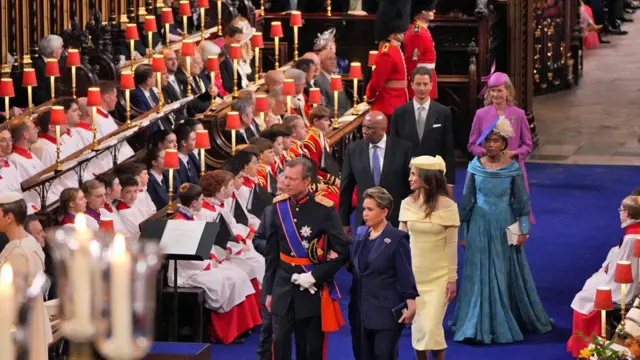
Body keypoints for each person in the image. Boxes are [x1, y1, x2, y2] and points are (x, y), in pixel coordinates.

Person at [451, 118, 552, 344]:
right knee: (478, 272)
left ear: (504, 143)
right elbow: (467, 201)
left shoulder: (512, 168)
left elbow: (521, 202)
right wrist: (463, 232)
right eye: (487, 141)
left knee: (504, 270)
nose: (490, 145)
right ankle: (475, 322)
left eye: (495, 141)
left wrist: (523, 230)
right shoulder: (475, 166)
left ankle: (506, 317)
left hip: (505, 225)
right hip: (478, 224)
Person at [264, 158, 351, 360]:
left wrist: (316, 276)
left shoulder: (323, 208)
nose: (285, 183)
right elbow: (271, 253)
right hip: (282, 286)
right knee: (279, 344)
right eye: (285, 177)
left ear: (306, 181)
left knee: (310, 349)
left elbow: (343, 251)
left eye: (292, 179)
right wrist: (268, 291)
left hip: (311, 289)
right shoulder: (278, 206)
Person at [398, 156, 458, 360]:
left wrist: (452, 279)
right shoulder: (406, 204)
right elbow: (401, 243)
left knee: (430, 327)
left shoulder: (449, 207)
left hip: (438, 279)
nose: (409, 178)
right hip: (413, 278)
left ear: (426, 177)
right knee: (420, 328)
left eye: (414, 174)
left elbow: (451, 245)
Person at [349, 187, 418, 360]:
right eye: (364, 209)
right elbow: (356, 268)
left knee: (384, 355)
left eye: (370, 209)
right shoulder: (361, 234)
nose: (365, 213)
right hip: (360, 311)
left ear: (384, 211)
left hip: (385, 312)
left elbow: (405, 274)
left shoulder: (397, 238)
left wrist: (411, 303)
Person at [567, 195, 640, 356]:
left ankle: (589, 344)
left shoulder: (631, 237)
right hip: (629, 280)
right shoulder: (634, 231)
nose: (619, 213)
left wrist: (608, 268)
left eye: (620, 211)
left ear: (627, 213)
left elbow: (622, 267)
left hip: (624, 287)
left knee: (584, 297)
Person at [467, 70, 534, 221]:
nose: (496, 94)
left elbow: (528, 145)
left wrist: (514, 153)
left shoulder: (519, 114)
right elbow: (472, 145)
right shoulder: (481, 114)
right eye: (492, 90)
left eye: (500, 90)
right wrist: (486, 152)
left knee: (514, 218)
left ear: (508, 91)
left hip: (512, 170)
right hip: (487, 172)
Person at [340, 111, 411, 231]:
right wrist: (344, 222)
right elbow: (346, 188)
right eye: (363, 126)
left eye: (370, 128)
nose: (365, 131)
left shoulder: (403, 149)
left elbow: (410, 187)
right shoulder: (353, 150)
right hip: (364, 220)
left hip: (395, 218)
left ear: (382, 129)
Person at [0, 193, 52, 359]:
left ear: (9, 217)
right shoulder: (30, 241)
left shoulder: (18, 251)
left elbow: (13, 300)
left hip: (22, 326)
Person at [389, 67, 455, 192]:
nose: (422, 88)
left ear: (431, 85)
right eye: (418, 84)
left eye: (425, 84)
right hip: (406, 177)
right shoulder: (399, 113)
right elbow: (393, 149)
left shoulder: (443, 112)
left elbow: (448, 148)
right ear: (412, 85)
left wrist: (450, 182)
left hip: (434, 177)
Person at [366, 0, 411, 119]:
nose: (404, 32)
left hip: (394, 104)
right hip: (387, 107)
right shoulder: (388, 52)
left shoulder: (393, 49)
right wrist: (370, 98)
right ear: (392, 32)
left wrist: (369, 98)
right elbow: (377, 83)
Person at [404, 0, 438, 100]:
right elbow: (412, 61)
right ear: (421, 11)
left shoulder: (422, 30)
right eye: (430, 8)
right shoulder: (417, 32)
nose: (434, 10)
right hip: (421, 82)